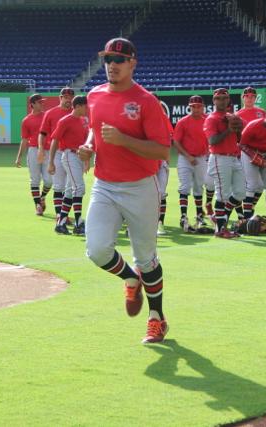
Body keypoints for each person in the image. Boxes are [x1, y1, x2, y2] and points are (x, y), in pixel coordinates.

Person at [76, 38, 171, 344]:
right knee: (97, 250)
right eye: (108, 59)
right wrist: (91, 146)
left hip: (140, 187)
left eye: (119, 59)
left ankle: (157, 319)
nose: (112, 65)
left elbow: (161, 150)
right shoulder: (95, 94)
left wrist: (123, 140)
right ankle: (130, 278)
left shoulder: (146, 101)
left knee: (147, 258)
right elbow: (95, 127)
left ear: (133, 63)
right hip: (105, 184)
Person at [204, 88, 245, 238]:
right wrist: (228, 130)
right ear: (214, 101)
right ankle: (220, 230)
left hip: (234, 157)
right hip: (219, 158)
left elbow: (239, 139)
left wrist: (238, 129)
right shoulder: (211, 118)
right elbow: (212, 141)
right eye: (219, 98)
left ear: (228, 100)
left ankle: (221, 218)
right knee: (222, 195)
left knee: (240, 193)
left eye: (224, 98)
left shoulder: (231, 116)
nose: (222, 101)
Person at [49, 95, 89, 235]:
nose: (87, 108)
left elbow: (85, 141)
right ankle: (78, 224)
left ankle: (61, 224)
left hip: (78, 156)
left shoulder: (83, 121)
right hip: (69, 155)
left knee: (69, 191)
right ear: (77, 106)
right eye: (85, 106)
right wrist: (51, 162)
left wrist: (86, 160)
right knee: (79, 188)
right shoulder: (65, 121)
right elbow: (55, 141)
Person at [172, 95, 209, 231]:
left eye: (199, 106)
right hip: (185, 158)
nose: (196, 109)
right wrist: (188, 156)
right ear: (190, 107)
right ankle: (183, 216)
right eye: (193, 106)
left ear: (203, 107)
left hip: (201, 158)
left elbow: (210, 138)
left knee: (199, 187)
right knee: (185, 187)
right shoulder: (183, 122)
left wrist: (209, 152)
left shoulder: (207, 120)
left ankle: (199, 215)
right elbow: (176, 141)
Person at [38, 87, 74, 219]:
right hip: (56, 152)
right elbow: (42, 133)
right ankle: (60, 215)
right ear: (60, 98)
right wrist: (41, 149)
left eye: (70, 97)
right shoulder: (51, 113)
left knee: (70, 186)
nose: (68, 99)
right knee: (58, 185)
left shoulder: (76, 113)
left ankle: (64, 214)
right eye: (65, 97)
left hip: (73, 153)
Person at [15, 93, 48, 215]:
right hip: (34, 150)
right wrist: (19, 157)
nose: (42, 103)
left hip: (47, 150)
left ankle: (42, 196)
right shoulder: (26, 120)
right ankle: (38, 205)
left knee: (49, 181)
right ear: (32, 104)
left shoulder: (47, 116)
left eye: (42, 101)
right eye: (39, 102)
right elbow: (24, 140)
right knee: (35, 180)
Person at [153, 93, 173, 235]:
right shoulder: (140, 119)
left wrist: (167, 156)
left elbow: (169, 137)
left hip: (161, 161)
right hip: (147, 161)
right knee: (145, 193)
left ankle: (160, 223)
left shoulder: (163, 118)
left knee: (161, 193)